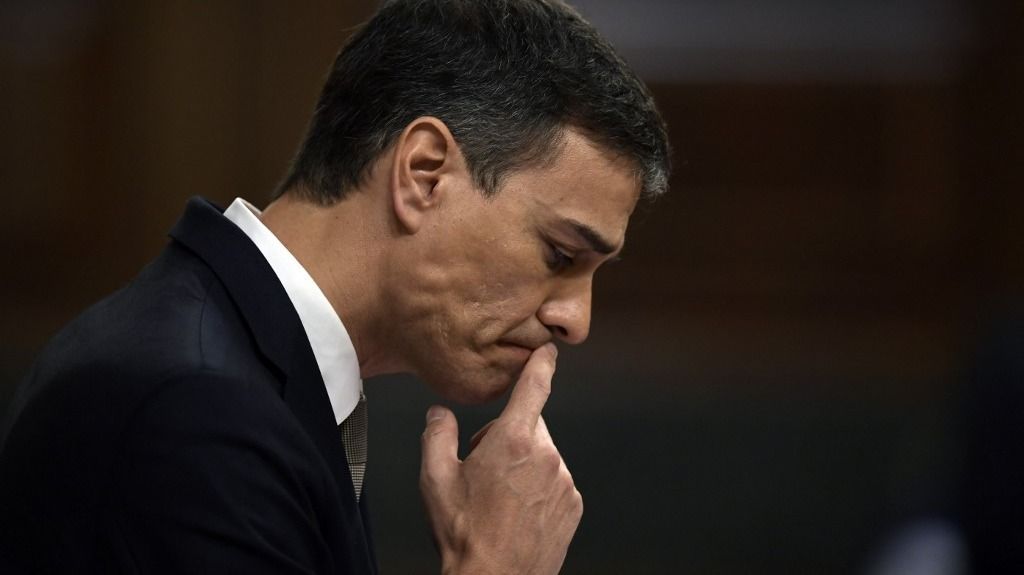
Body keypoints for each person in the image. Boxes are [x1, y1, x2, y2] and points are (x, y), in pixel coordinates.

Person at [0, 0, 670, 573]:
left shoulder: (243, 369)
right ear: (424, 174)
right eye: (560, 253)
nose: (576, 320)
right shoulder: (196, 408)